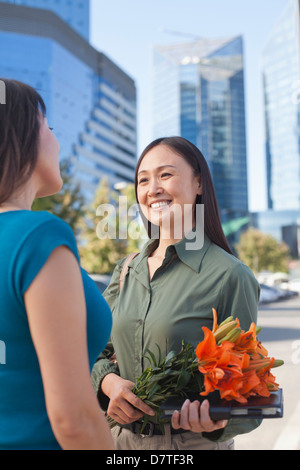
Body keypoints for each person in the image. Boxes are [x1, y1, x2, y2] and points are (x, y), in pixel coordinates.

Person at [92, 136, 262, 451]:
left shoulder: (230, 276)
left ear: (199, 183)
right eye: (143, 180)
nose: (152, 188)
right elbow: (93, 350)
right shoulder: (126, 270)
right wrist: (108, 384)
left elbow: (250, 393)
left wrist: (218, 417)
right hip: (118, 442)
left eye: (165, 175)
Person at [0, 79, 114, 450]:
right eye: (48, 126)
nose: (56, 139)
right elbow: (74, 420)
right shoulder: (38, 235)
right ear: (20, 135)